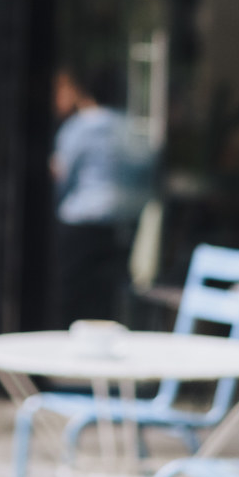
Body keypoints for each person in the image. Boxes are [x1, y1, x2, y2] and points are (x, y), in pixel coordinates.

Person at [50, 65, 151, 326]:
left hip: (82, 223)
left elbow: (63, 177)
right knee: (107, 298)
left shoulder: (80, 127)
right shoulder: (132, 129)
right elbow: (147, 172)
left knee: (71, 296)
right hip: (123, 222)